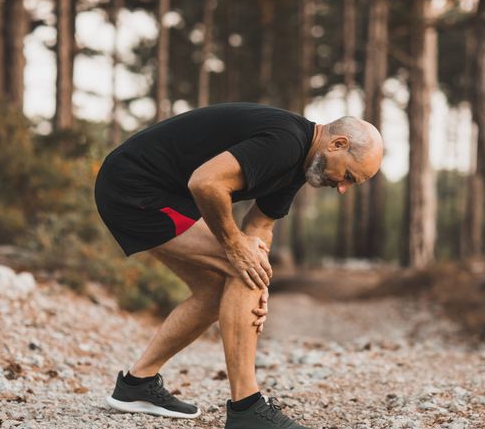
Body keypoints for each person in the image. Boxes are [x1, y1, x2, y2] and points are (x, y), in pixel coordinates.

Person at [94, 102, 383, 428]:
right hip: (133, 187)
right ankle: (246, 407)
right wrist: (233, 245)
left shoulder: (299, 164)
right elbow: (205, 183)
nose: (343, 188)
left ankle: (136, 385)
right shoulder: (285, 143)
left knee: (222, 285)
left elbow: (260, 228)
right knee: (240, 266)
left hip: (152, 191)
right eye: (347, 176)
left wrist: (261, 287)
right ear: (338, 144)